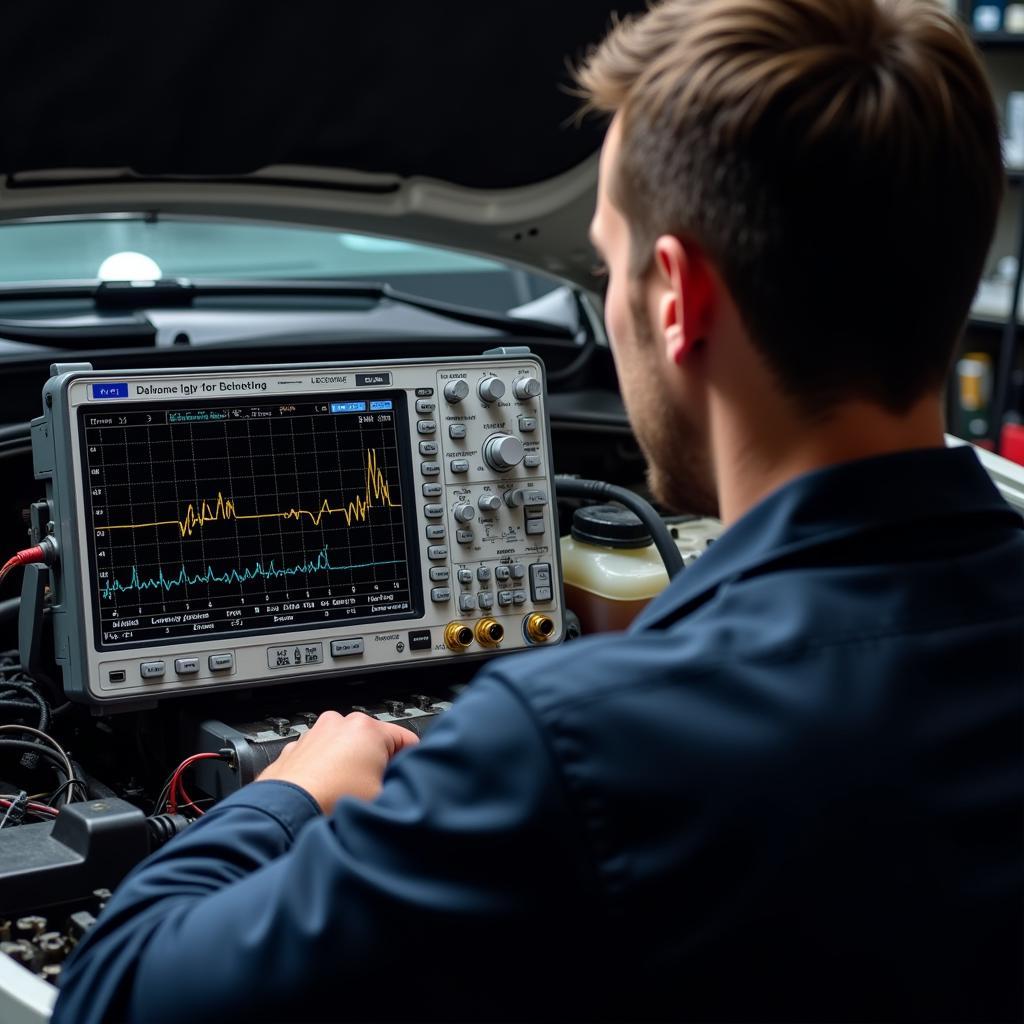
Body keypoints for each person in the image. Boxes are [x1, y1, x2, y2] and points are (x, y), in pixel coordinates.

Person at [54, 0, 1023, 1021]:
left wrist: (286, 795)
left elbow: (116, 995)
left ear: (675, 300)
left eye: (606, 267)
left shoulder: (575, 748)